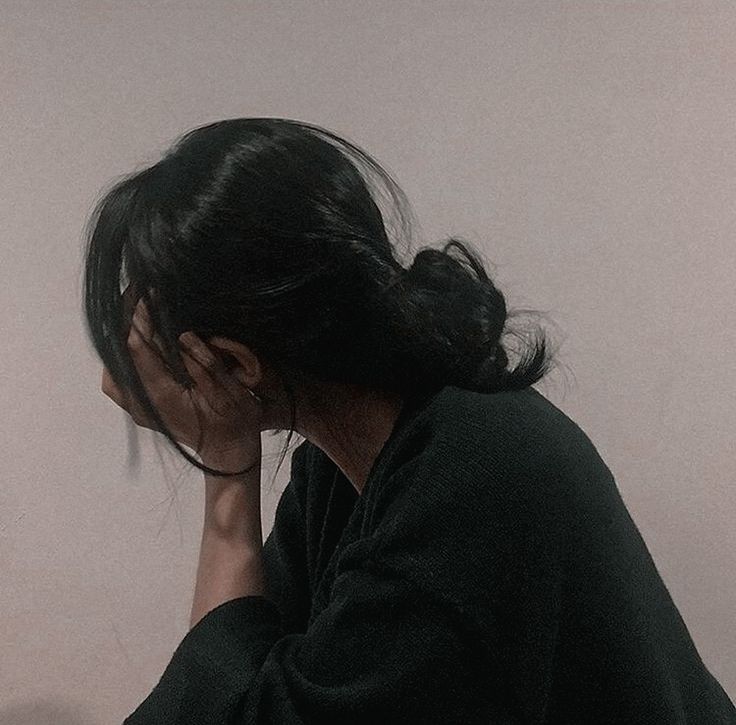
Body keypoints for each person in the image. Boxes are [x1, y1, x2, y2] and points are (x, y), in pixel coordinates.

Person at [83, 117, 736, 723]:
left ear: (234, 361)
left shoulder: (468, 479)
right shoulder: (352, 462)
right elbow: (231, 678)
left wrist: (225, 458)